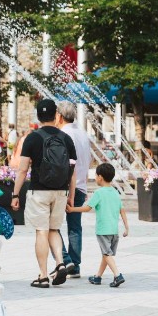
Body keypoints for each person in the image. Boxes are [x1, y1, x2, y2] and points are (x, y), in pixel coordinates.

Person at [9, 98, 78, 288]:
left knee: (42, 231)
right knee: (54, 229)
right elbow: (73, 171)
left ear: (38, 116)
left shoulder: (33, 138)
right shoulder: (66, 138)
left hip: (39, 190)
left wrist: (15, 195)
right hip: (61, 191)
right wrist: (71, 195)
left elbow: (22, 170)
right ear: (56, 115)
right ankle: (60, 263)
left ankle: (43, 275)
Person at [68, 163, 129, 287]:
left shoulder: (99, 193)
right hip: (114, 231)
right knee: (106, 255)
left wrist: (72, 209)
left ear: (100, 177)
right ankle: (98, 277)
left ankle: (117, 275)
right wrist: (126, 227)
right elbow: (122, 210)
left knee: (107, 254)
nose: (95, 177)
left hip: (103, 231)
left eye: (95, 175)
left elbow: (87, 208)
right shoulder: (115, 192)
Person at [57, 101, 92, 279]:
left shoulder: (63, 134)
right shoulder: (82, 133)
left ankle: (65, 258)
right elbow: (88, 160)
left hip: (66, 186)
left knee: (52, 225)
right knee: (75, 227)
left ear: (60, 116)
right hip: (81, 186)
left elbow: (65, 164)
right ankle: (76, 266)